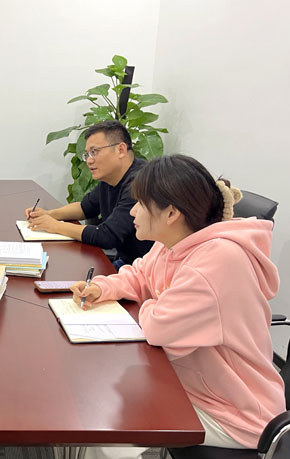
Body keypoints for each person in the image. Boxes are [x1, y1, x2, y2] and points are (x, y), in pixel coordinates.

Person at [70, 154, 285, 459]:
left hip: (236, 410)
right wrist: (103, 287)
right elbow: (140, 274)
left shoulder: (218, 262)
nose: (132, 211)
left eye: (140, 204)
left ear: (171, 213)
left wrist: (151, 303)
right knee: (97, 398)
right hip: (192, 382)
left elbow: (159, 328)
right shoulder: (174, 242)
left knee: (108, 434)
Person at [25, 120, 152, 268]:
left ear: (121, 150)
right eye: (87, 154)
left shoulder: (141, 182)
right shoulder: (110, 177)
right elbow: (84, 208)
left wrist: (54, 226)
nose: (89, 160)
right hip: (127, 262)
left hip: (145, 270)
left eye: (94, 152)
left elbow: (107, 236)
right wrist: (49, 214)